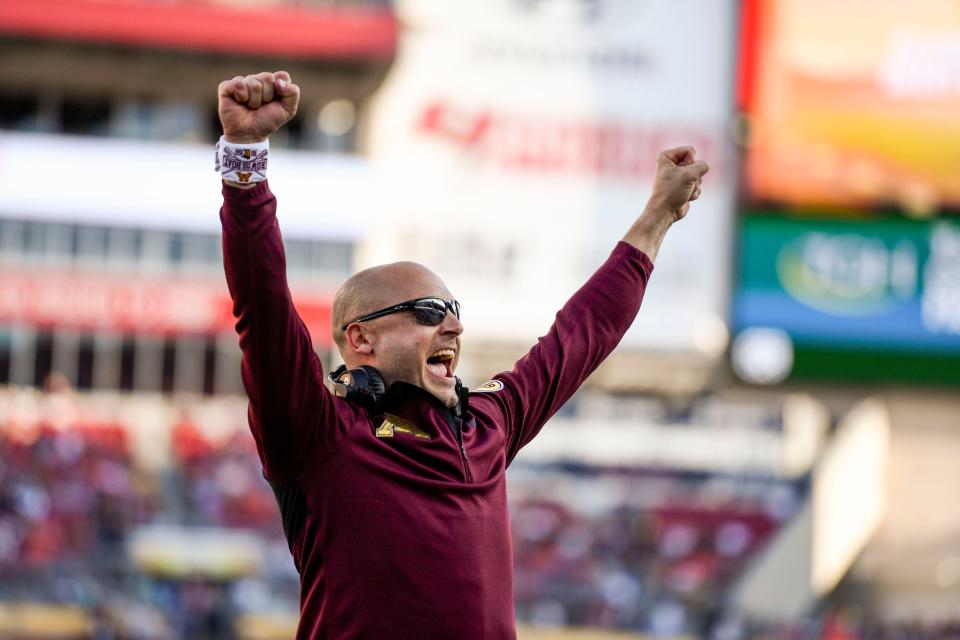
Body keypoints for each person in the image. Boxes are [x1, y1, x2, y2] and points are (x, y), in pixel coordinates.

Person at [217, 70, 708, 639]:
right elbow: (263, 304)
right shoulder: (318, 432)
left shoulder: (488, 425)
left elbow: (584, 332)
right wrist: (246, 159)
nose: (454, 324)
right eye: (427, 311)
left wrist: (657, 217)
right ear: (360, 340)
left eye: (454, 308)